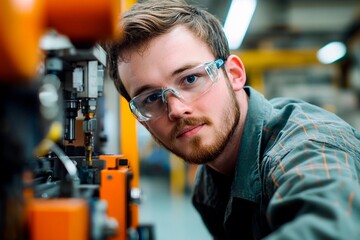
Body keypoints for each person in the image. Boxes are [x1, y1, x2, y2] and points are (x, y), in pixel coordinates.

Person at [107, 0, 360, 239]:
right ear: (141, 120)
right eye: (151, 99)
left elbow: (334, 226)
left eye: (191, 79)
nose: (175, 109)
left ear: (235, 75)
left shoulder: (308, 145)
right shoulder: (207, 185)